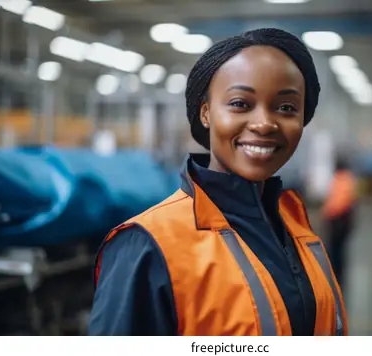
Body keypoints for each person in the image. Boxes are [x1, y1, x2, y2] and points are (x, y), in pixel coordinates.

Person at [88, 28, 348, 336]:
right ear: (206, 113)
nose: (265, 123)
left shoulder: (296, 226)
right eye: (240, 103)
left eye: (286, 108)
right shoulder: (148, 246)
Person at [321, 156, 358, 287]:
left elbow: (338, 202)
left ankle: (336, 275)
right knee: (338, 249)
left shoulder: (340, 179)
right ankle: (337, 274)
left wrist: (327, 215)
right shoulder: (348, 179)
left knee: (335, 249)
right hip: (342, 220)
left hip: (337, 220)